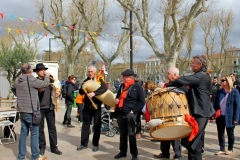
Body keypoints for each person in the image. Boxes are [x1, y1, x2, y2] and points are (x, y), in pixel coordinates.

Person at [166, 55, 212, 160]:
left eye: (193, 63)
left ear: (200, 65)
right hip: (199, 112)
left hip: (200, 113)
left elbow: (183, 80)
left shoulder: (201, 76)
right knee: (196, 145)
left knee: (191, 142)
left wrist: (170, 84)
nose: (191, 65)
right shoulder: (200, 75)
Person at [11, 63, 49, 160]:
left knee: (23, 132)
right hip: (32, 111)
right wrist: (47, 76)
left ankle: (21, 156)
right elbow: (44, 84)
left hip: (22, 110)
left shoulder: (18, 80)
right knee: (34, 133)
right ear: (30, 71)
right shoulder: (31, 79)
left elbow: (12, 88)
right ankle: (35, 156)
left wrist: (19, 95)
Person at [114, 69, 145, 160]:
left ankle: (134, 154)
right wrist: (117, 100)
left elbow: (141, 101)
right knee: (122, 134)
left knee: (131, 135)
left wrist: (134, 111)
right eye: (123, 77)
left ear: (130, 77)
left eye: (125, 77)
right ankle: (122, 152)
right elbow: (117, 96)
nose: (124, 78)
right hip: (121, 113)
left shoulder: (137, 86)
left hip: (130, 114)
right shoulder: (122, 86)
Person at [76, 65, 108, 152]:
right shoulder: (86, 81)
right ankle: (83, 144)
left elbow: (104, 88)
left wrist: (94, 93)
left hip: (96, 106)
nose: (90, 73)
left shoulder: (99, 79)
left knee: (97, 126)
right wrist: (82, 87)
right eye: (89, 71)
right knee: (85, 125)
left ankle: (95, 144)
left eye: (91, 71)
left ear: (94, 72)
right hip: (87, 106)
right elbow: (80, 92)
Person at [153, 67, 182, 160]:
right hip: (165, 112)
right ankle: (165, 153)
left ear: (175, 74)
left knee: (175, 134)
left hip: (176, 112)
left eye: (168, 73)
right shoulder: (166, 84)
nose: (166, 75)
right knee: (165, 132)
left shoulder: (181, 83)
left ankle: (178, 155)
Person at [34, 63, 62, 155]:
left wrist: (58, 93)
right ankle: (42, 147)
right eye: (41, 70)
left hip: (50, 107)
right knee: (40, 129)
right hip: (40, 108)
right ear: (37, 72)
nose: (43, 71)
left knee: (52, 128)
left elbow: (57, 88)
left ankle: (54, 147)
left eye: (44, 69)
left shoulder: (51, 79)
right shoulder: (35, 81)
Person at [213, 75, 239, 155]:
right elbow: (215, 103)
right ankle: (222, 148)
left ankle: (230, 148)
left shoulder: (234, 91)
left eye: (223, 80)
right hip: (220, 116)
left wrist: (236, 118)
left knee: (230, 133)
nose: (221, 82)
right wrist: (213, 114)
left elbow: (237, 105)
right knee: (220, 133)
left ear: (228, 82)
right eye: (221, 80)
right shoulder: (220, 91)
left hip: (230, 116)